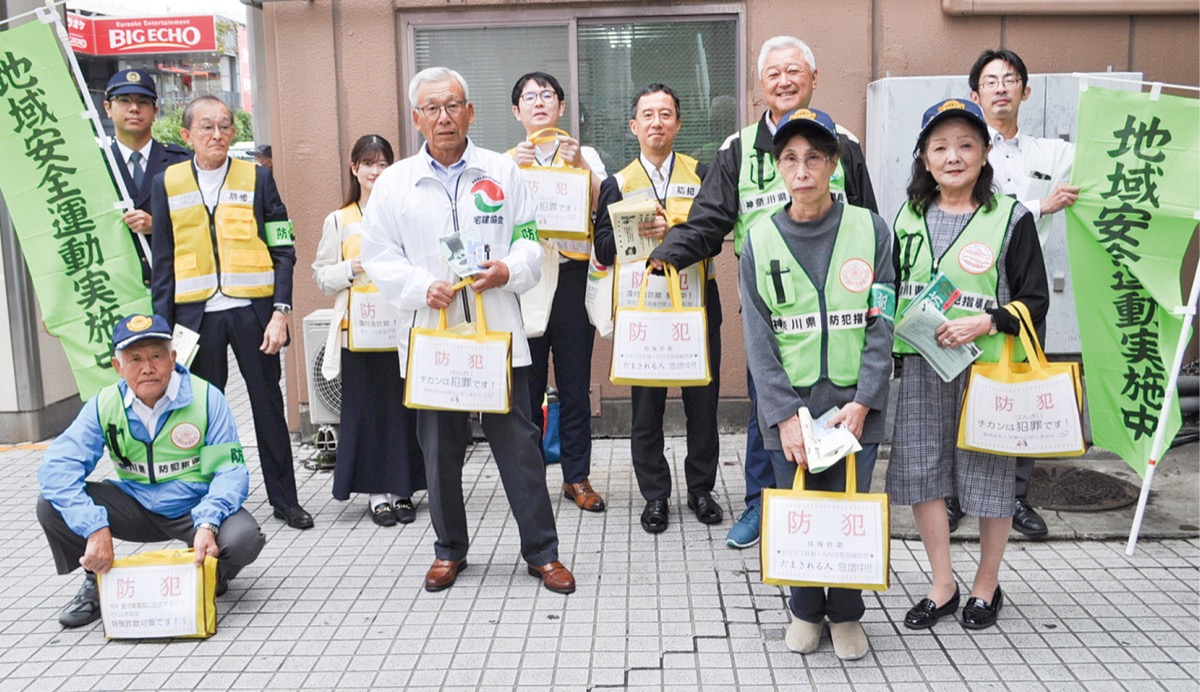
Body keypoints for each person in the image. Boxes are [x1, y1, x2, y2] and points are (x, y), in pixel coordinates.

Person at [649, 35, 878, 550]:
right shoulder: (737, 149)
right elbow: (709, 221)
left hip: (841, 308)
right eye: (773, 72)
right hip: (772, 307)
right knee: (767, 410)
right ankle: (762, 504)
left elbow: (871, 221)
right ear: (760, 85)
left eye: (794, 70)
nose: (784, 80)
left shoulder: (843, 142)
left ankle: (834, 509)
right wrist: (668, 252)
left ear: (814, 80)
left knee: (841, 407)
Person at [360, 67, 574, 595]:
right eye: (431, 108)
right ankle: (449, 549)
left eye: (453, 105)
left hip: (497, 331)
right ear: (416, 118)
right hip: (431, 336)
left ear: (470, 111)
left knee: (520, 447)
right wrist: (416, 285)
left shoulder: (503, 171)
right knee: (439, 451)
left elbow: (529, 237)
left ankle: (542, 552)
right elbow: (378, 255)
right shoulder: (395, 183)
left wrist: (511, 269)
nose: (443, 116)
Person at [888, 99, 1048, 632]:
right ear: (924, 158)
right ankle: (942, 584)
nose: (952, 156)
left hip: (986, 369)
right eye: (940, 147)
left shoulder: (1012, 218)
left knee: (989, 477)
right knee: (923, 472)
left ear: (984, 154)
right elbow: (892, 290)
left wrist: (986, 322)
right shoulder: (906, 216)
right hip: (921, 365)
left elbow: (1036, 299)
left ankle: (986, 584)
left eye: (965, 145)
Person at [740, 108, 893, 660]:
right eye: (789, 159)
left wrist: (865, 401)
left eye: (813, 158)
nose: (801, 169)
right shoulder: (759, 239)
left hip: (857, 401)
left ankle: (847, 613)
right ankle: (805, 609)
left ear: (832, 165)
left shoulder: (871, 230)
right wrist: (783, 414)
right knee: (798, 507)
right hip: (792, 404)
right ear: (778, 168)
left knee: (849, 506)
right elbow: (757, 337)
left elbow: (883, 320)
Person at [37, 314, 266, 629]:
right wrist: (93, 527)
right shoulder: (104, 405)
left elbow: (230, 470)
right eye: (134, 359)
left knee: (244, 539)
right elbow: (57, 467)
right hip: (136, 506)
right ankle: (95, 581)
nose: (147, 367)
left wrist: (209, 522)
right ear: (118, 367)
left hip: (194, 507)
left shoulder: (207, 398)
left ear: (173, 359)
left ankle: (211, 570)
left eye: (156, 356)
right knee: (51, 505)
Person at [150, 95, 313, 530]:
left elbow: (283, 246)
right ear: (186, 136)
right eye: (206, 127)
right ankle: (213, 500)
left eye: (224, 126)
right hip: (195, 319)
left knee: (268, 409)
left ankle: (285, 499)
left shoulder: (258, 179)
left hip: (252, 315)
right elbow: (162, 261)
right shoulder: (166, 183)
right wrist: (163, 333)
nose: (217, 134)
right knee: (202, 413)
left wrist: (281, 312)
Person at [944, 48, 1079, 539]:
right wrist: (1040, 206)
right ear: (975, 94)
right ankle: (958, 494)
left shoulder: (1051, 153)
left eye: (1010, 79)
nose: (1001, 88)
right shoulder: (967, 151)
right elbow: (978, 205)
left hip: (1025, 287)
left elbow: (1096, 172)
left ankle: (1016, 497)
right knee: (963, 392)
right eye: (990, 81)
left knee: (1020, 391)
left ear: (1026, 90)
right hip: (971, 290)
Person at [593, 84, 723, 533]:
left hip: (697, 306)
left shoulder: (703, 174)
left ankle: (702, 490)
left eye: (665, 114)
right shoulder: (618, 182)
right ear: (634, 126)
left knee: (702, 405)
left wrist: (679, 227)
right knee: (645, 409)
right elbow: (603, 248)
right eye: (647, 115)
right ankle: (655, 495)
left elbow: (715, 240)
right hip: (642, 310)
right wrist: (645, 232)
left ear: (678, 123)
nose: (656, 123)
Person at [507, 71, 609, 514]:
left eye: (547, 95)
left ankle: (577, 477)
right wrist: (517, 168)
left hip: (571, 276)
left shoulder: (583, 153)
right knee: (526, 388)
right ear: (517, 111)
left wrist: (583, 169)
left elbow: (603, 206)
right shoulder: (505, 161)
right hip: (527, 280)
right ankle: (528, 479)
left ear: (561, 107)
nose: (539, 102)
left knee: (573, 383)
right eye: (530, 97)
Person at [312, 134, 427, 526]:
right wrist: (351, 268)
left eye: (382, 164)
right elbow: (322, 276)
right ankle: (377, 492)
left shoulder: (405, 214)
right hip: (358, 332)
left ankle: (403, 489)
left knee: (402, 410)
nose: (375, 172)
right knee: (367, 412)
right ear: (354, 168)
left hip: (400, 328)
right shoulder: (339, 219)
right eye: (368, 164)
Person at [102, 69, 191, 285]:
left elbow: (203, 223)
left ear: (155, 111)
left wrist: (158, 226)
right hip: (116, 290)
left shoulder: (183, 162)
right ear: (108, 108)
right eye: (124, 100)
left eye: (143, 102)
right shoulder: (95, 166)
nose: (134, 108)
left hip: (174, 286)